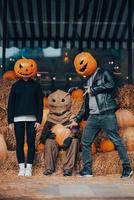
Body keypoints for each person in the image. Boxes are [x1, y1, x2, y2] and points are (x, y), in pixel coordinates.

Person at [72, 52, 133, 178]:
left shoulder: (104, 73)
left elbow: (111, 85)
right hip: (93, 116)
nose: (81, 68)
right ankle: (87, 170)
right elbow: (85, 104)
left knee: (116, 140)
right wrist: (77, 119)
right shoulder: (87, 81)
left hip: (106, 114)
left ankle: (127, 168)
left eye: (83, 63)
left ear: (92, 61)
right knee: (86, 141)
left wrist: (93, 89)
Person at [7, 58, 43, 176]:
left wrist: (39, 119)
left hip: (32, 119)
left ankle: (29, 168)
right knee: (20, 143)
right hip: (17, 119)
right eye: (23, 67)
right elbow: (10, 104)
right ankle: (21, 167)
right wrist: (10, 120)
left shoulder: (37, 86)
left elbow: (40, 104)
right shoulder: (15, 86)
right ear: (18, 69)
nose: (26, 69)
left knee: (31, 143)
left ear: (33, 69)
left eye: (29, 66)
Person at [39, 90, 79, 176]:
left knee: (75, 141)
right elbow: (42, 137)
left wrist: (71, 136)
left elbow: (77, 131)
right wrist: (48, 135)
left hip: (67, 141)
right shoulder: (50, 119)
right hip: (55, 142)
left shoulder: (71, 117)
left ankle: (68, 169)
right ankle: (49, 168)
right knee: (49, 141)